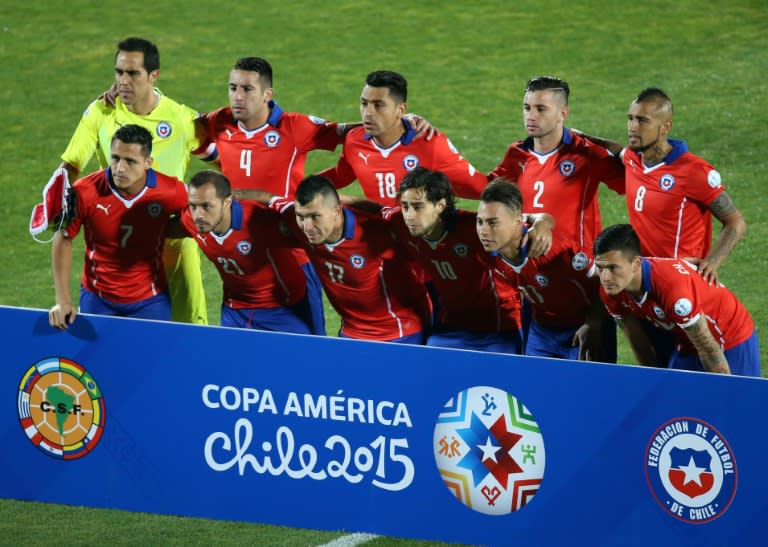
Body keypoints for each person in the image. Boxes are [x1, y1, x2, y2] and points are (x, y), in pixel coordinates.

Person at [53, 37, 215, 324]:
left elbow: (222, 158)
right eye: (119, 72)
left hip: (174, 243)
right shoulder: (102, 112)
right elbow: (72, 165)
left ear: (153, 76)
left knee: (191, 328)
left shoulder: (180, 119)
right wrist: (55, 199)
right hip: (118, 240)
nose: (123, 81)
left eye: (133, 73)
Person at [489, 76, 625, 360]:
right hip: (534, 291)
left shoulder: (586, 154)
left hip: (585, 291)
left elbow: (634, 179)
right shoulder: (516, 154)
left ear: (563, 113)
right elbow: (486, 191)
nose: (531, 116)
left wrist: (600, 141)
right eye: (527, 108)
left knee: (592, 390)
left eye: (541, 109)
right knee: (536, 389)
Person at [581, 87, 746, 286]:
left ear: (665, 127)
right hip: (644, 276)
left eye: (642, 121)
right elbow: (617, 150)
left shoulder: (694, 171)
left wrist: (712, 262)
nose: (632, 127)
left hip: (679, 282)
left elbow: (735, 222)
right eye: (630, 118)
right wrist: (577, 136)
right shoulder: (635, 158)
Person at [378, 168, 547, 352]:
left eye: (418, 207)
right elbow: (372, 209)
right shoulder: (400, 223)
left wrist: (542, 221)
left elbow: (516, 220)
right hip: (450, 328)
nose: (409, 215)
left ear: (440, 205)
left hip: (498, 329)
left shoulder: (474, 227)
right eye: (405, 206)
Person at [49, 125, 188, 329]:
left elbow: (196, 220)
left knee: (153, 360)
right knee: (98, 361)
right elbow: (63, 237)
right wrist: (62, 300)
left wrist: (163, 227)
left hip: (150, 299)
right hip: (98, 298)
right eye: (115, 158)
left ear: (148, 162)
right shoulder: (85, 191)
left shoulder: (171, 191)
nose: (120, 168)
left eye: (130, 161)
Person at [266, 175, 429, 343]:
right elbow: (271, 199)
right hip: (351, 331)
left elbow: (428, 259)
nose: (307, 227)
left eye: (315, 217)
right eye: (301, 216)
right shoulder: (300, 225)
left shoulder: (376, 233)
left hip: (399, 332)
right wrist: (236, 194)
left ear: (337, 211)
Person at [594, 224, 759, 376]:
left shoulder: (673, 290)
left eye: (613, 268)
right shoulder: (611, 291)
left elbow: (708, 349)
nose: (605, 277)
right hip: (687, 342)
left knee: (736, 402)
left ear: (636, 263)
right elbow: (638, 343)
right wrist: (651, 380)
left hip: (729, 337)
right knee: (671, 400)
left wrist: (725, 395)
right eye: (600, 268)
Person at [476, 179, 605, 361]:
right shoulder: (485, 254)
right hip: (542, 330)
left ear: (517, 222)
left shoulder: (557, 251)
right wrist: (542, 218)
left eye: (492, 223)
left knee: (584, 388)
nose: (483, 231)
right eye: (479, 222)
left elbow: (604, 280)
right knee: (533, 386)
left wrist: (594, 323)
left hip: (581, 329)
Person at [169, 170, 312, 334]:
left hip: (282, 308)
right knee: (230, 359)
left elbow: (313, 238)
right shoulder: (190, 220)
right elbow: (160, 228)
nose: (198, 215)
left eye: (207, 206)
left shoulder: (260, 221)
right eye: (193, 206)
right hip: (234, 310)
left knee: (298, 358)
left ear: (227, 202)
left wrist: (270, 198)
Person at [319, 70, 489, 207]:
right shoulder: (354, 141)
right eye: (364, 103)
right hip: (380, 236)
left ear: (400, 110)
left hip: (419, 242)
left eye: (378, 105)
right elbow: (341, 175)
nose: (368, 113)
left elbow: (481, 188)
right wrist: (300, 187)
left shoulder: (430, 144)